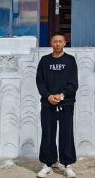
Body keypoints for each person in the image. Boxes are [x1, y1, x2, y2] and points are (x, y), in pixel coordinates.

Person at [35, 34, 78, 178]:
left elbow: (73, 83)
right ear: (51, 43)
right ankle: (48, 164)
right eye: (55, 41)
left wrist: (62, 95)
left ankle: (67, 165)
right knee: (48, 133)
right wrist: (48, 96)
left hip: (66, 103)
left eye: (60, 41)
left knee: (66, 133)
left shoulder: (70, 60)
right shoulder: (44, 61)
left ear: (64, 43)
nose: (58, 44)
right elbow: (40, 82)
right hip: (48, 103)